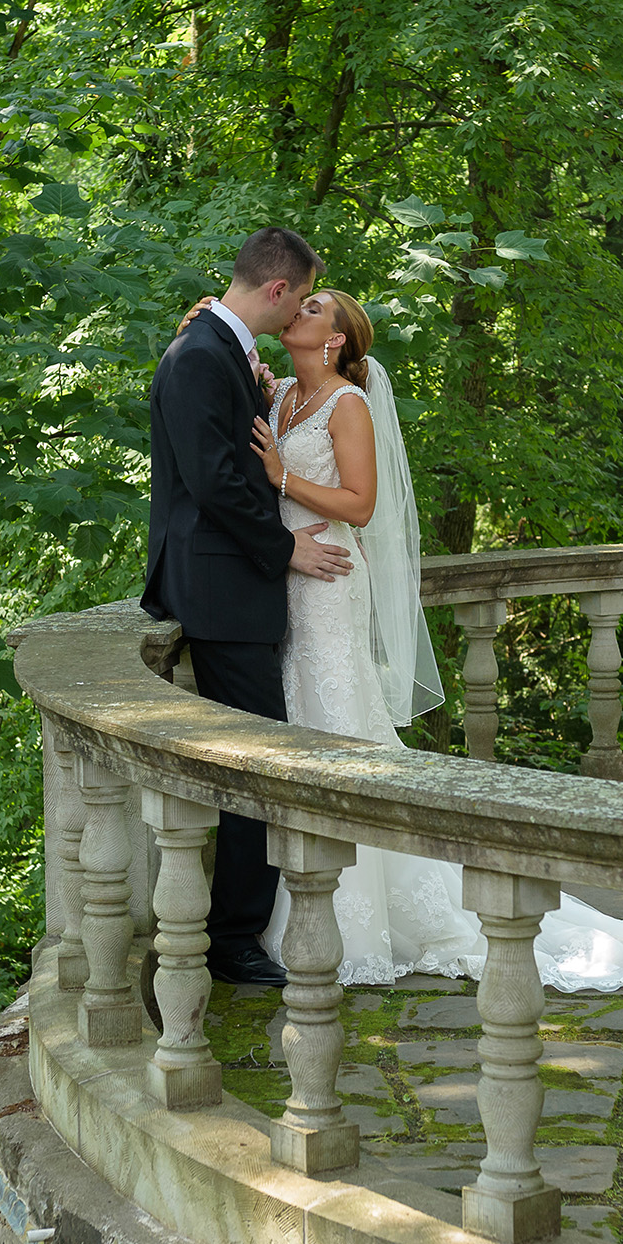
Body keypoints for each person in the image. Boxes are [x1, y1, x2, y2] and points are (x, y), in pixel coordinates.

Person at [183, 288, 623, 991]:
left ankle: (356, 917)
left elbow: (362, 503)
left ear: (338, 341)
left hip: (326, 584)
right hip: (281, 583)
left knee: (335, 730)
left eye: (315, 307)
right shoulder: (283, 393)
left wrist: (282, 475)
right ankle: (279, 910)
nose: (298, 309)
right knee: (291, 732)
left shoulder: (346, 406)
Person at [142, 228, 352, 987]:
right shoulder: (198, 355)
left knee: (256, 757)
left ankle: (240, 927)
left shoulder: (214, 348)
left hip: (226, 583)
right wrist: (282, 548)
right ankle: (231, 939)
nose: (298, 308)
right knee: (255, 764)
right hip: (221, 587)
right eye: (298, 295)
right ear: (276, 290)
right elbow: (213, 481)